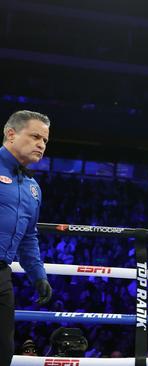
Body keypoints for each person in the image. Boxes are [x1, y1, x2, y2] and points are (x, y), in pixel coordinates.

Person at [0, 110, 52, 366]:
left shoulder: (32, 188)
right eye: (35, 136)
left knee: (3, 350)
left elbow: (29, 237)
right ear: (11, 134)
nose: (41, 144)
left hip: (2, 274)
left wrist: (38, 276)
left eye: (44, 140)